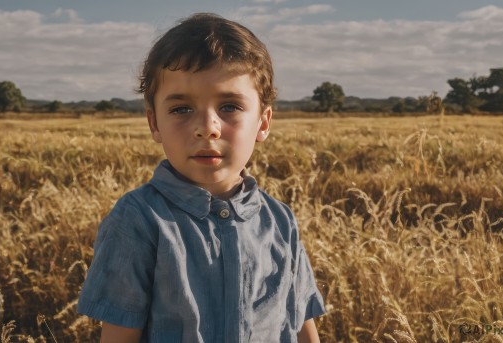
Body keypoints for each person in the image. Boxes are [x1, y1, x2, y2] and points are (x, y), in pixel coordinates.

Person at [77, 13, 326, 343]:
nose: (206, 127)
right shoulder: (137, 221)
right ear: (154, 123)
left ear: (263, 123)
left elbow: (300, 323)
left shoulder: (280, 221)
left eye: (229, 107)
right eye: (181, 109)